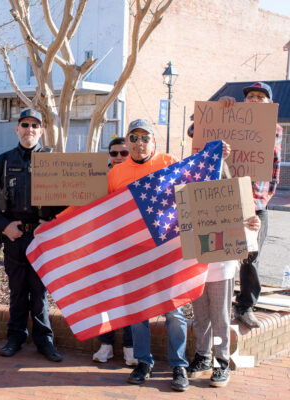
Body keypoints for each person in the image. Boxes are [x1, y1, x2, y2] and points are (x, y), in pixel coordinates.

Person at [109, 118, 189, 391]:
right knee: (138, 313)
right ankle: (144, 362)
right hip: (134, 253)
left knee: (174, 312)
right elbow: (99, 212)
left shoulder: (170, 162)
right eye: (134, 138)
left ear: (154, 140)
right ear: (127, 141)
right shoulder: (116, 173)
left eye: (145, 138)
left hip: (168, 252)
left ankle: (179, 366)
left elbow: (196, 190)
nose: (139, 143)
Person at [0, 108, 64, 362]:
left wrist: (50, 224)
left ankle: (44, 341)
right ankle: (15, 337)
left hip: (42, 237)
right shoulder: (4, 161)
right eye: (25, 124)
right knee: (17, 291)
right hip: (14, 237)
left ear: (41, 131)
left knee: (39, 293)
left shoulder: (54, 161)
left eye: (34, 126)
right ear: (17, 129)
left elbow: (68, 200)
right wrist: (5, 225)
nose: (29, 129)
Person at [217, 82, 282, 329]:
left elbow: (274, 168)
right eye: (251, 96)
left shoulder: (273, 129)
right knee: (219, 252)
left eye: (260, 97)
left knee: (251, 256)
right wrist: (223, 112)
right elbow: (195, 130)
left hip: (255, 201)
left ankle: (244, 306)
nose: (254, 100)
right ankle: (219, 303)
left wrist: (263, 200)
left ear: (269, 104)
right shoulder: (228, 118)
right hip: (226, 198)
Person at [187, 216, 260, 388]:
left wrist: (254, 224)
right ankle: (203, 356)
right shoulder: (189, 188)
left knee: (220, 318)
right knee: (201, 316)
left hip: (222, 263)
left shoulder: (231, 190)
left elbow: (249, 217)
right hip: (195, 262)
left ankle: (221, 361)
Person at [92, 137, 137, 366]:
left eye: (124, 153)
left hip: (131, 246)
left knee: (130, 296)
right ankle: (106, 344)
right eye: (114, 153)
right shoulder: (97, 178)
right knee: (105, 297)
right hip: (104, 247)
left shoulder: (138, 174)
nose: (119, 157)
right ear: (108, 155)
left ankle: (130, 347)